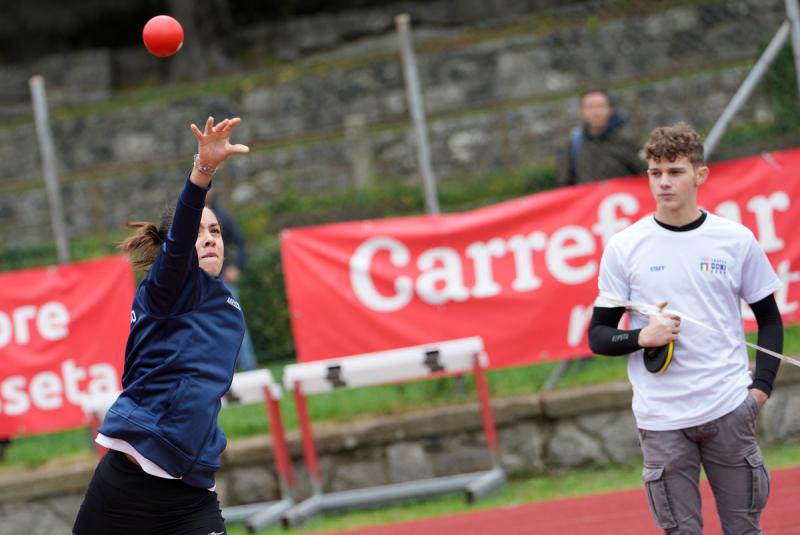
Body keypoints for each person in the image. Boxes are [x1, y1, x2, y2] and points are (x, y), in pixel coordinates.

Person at [587, 122, 783, 534]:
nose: (664, 183)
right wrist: (643, 337)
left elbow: (768, 318)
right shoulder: (625, 247)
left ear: (700, 174)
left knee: (745, 529)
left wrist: (760, 390)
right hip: (661, 419)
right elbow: (598, 336)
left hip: (728, 409)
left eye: (675, 172)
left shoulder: (735, 239)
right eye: (655, 173)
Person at [73, 116, 250, 535]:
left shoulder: (228, 307)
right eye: (199, 232)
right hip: (127, 487)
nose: (210, 238)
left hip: (190, 493)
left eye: (216, 231)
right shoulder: (165, 290)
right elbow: (184, 227)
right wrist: (203, 171)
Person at [207, 187, 258, 371]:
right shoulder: (185, 219)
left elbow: (241, 241)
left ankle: (250, 371)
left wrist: (236, 266)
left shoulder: (222, 217)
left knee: (235, 325)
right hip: (198, 285)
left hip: (223, 283)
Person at [557, 89, 646, 186]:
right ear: (582, 111)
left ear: (610, 109)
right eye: (590, 107)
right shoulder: (573, 144)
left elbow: (643, 173)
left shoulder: (627, 138)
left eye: (600, 106)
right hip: (590, 199)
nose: (595, 112)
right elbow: (566, 182)